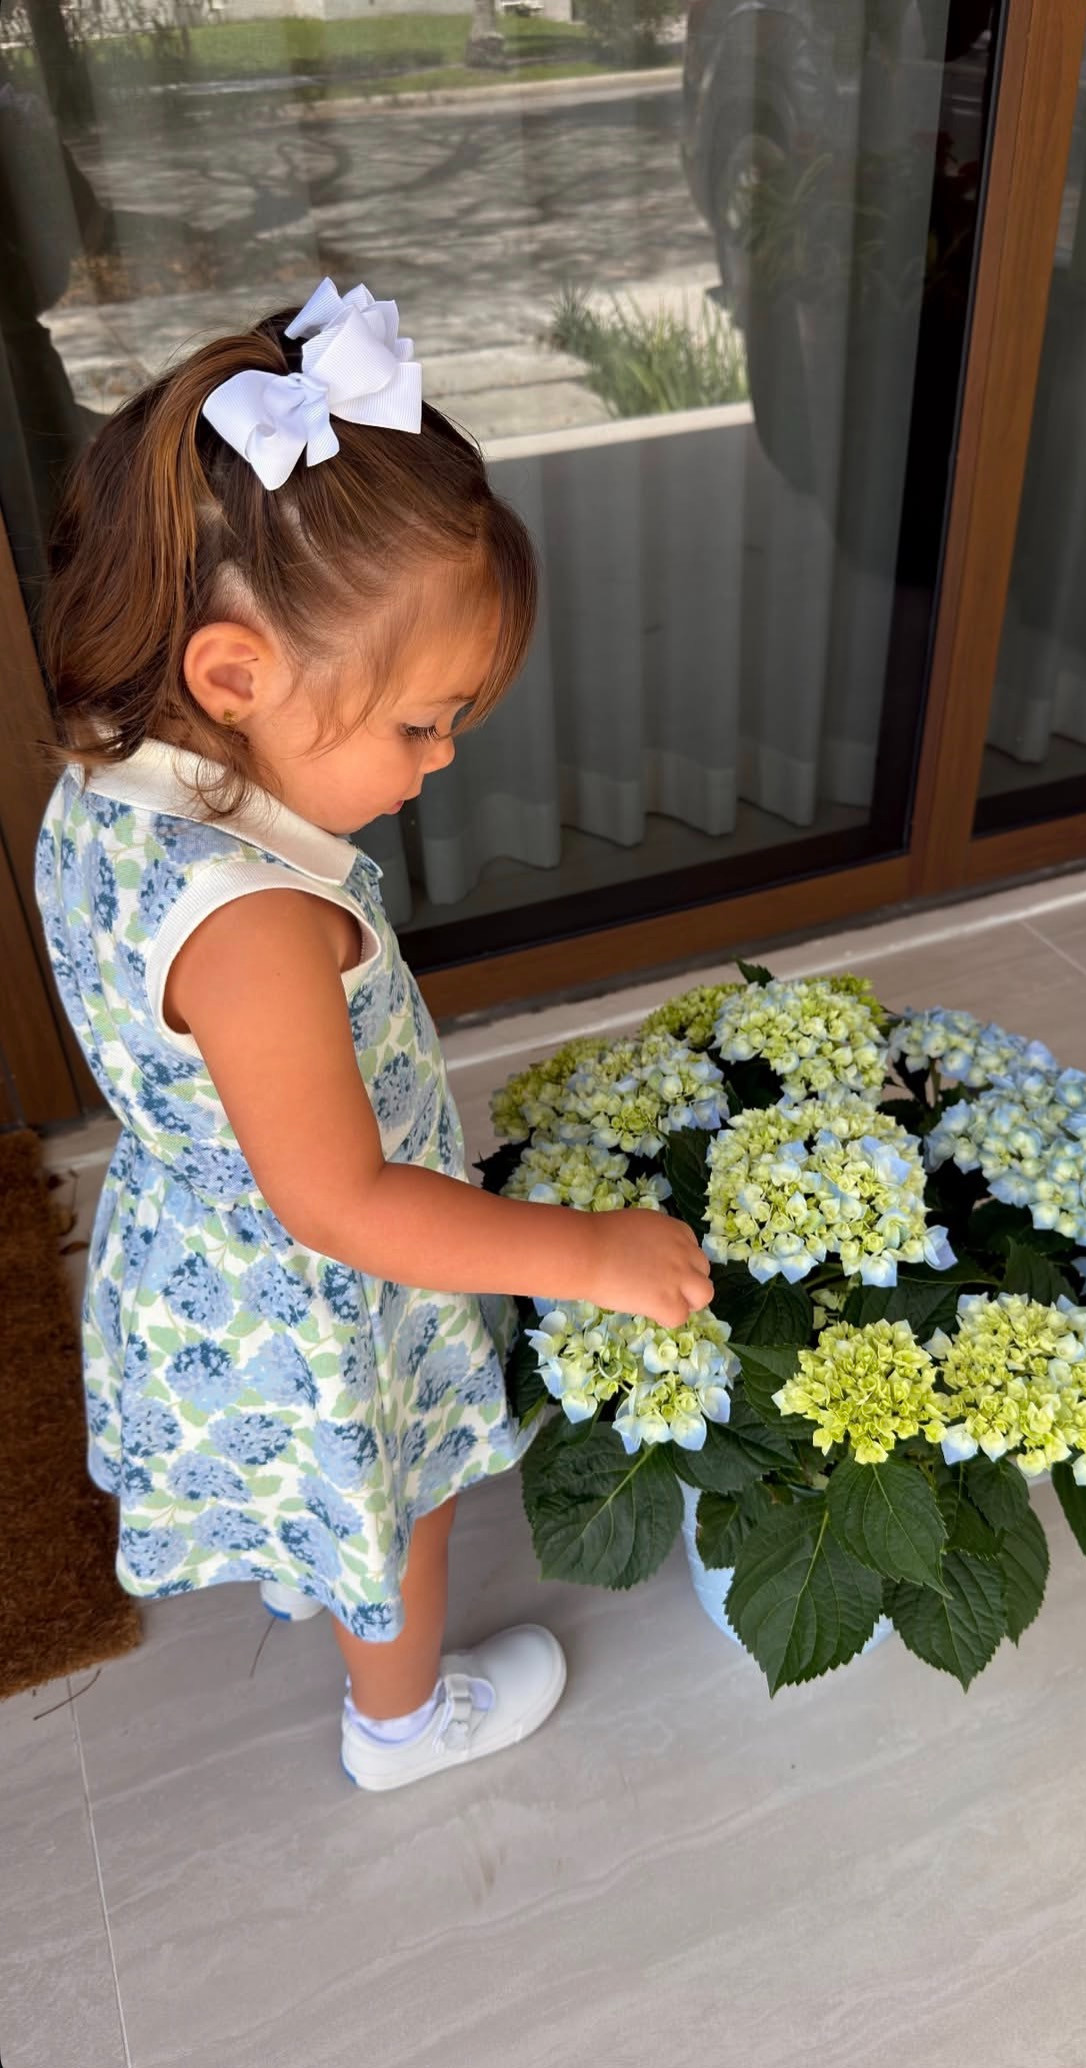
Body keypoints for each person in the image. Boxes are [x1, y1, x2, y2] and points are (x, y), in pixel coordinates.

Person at [34, 280, 713, 1792]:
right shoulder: (252, 924)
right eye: (419, 723)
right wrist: (585, 1252)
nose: (445, 755)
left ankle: (354, 1628)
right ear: (234, 675)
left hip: (211, 1240)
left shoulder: (111, 775)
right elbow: (341, 1203)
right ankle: (403, 1723)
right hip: (320, 1286)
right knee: (392, 1501)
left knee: (326, 1493)